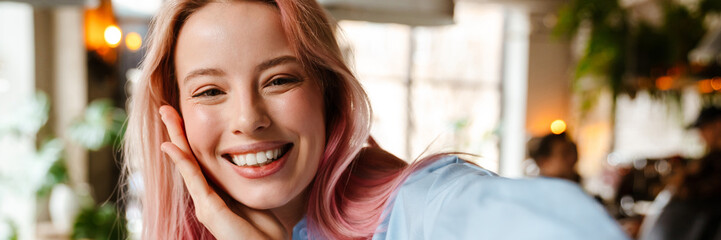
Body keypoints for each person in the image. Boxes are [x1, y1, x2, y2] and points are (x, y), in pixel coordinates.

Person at [122, 0, 629, 239]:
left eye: (280, 80)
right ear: (175, 116)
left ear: (328, 92)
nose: (248, 118)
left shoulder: (423, 206)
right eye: (210, 91)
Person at [639, 106, 721, 240]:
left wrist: (683, 183)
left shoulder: (712, 165)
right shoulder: (707, 161)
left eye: (704, 129)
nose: (701, 136)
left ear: (718, 124)